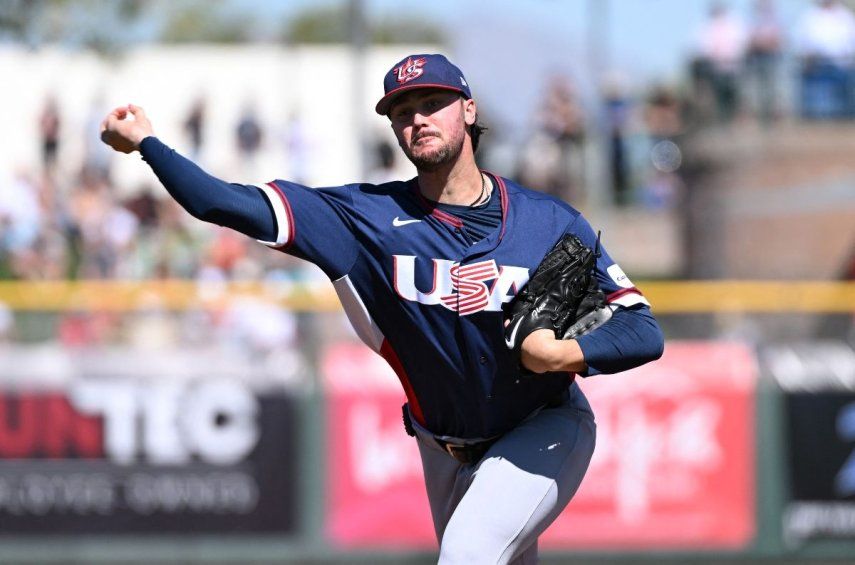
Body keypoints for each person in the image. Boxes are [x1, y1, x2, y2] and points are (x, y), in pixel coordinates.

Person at [100, 53, 664, 565]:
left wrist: (564, 353)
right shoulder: (360, 220)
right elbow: (220, 201)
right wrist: (149, 142)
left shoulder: (546, 220)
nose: (417, 119)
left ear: (468, 110)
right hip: (441, 446)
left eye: (432, 103)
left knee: (467, 557)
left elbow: (642, 329)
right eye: (402, 111)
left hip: (542, 425)